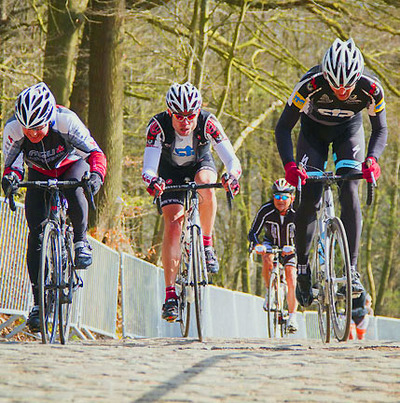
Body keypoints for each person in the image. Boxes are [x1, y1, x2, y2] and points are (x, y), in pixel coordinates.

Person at [275, 38, 387, 307]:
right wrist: (290, 165)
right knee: (309, 197)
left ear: (357, 78)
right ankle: (302, 268)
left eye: (347, 86)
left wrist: (372, 159)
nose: (341, 91)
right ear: (325, 75)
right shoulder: (309, 85)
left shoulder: (371, 88)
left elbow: (380, 129)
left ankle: (352, 270)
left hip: (348, 132)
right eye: (335, 84)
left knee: (349, 189)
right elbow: (282, 128)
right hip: (312, 134)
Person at [2, 82, 107, 332]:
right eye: (28, 129)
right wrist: (10, 179)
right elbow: (11, 164)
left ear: (49, 118)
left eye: (38, 128)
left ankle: (80, 241)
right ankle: (38, 304)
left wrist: (96, 176)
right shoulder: (13, 130)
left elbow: (95, 153)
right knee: (36, 236)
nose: (33, 134)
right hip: (37, 170)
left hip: (71, 164)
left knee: (76, 186)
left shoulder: (66, 121)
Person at [142, 82, 241, 322]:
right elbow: (148, 167)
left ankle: (206, 245)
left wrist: (231, 176)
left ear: (198, 112)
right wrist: (153, 181)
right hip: (169, 172)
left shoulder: (209, 123)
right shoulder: (157, 126)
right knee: (174, 225)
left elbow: (232, 161)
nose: (185, 122)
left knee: (206, 184)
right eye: (179, 117)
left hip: (200, 163)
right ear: (169, 113)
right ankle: (170, 296)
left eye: (190, 116)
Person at [248, 178, 298, 333]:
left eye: (284, 197)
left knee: (291, 276)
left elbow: (308, 233)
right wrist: (257, 245)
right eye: (277, 196)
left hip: (292, 247)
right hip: (272, 244)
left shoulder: (298, 210)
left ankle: (292, 316)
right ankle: (270, 291)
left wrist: (296, 247)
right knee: (267, 258)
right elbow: (253, 232)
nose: (280, 200)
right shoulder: (266, 210)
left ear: (292, 198)